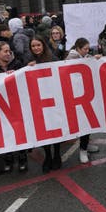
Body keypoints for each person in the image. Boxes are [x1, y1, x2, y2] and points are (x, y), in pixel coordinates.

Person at [0, 41, 28, 172]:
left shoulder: (17, 64)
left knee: (19, 131)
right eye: (5, 51)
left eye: (9, 51)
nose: (8, 54)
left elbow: (25, 79)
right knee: (5, 133)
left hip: (16, 104)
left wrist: (17, 73)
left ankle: (22, 157)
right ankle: (8, 159)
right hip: (0, 108)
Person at [29, 36, 62, 173]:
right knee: (44, 130)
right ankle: (48, 155)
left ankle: (57, 154)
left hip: (53, 99)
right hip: (38, 101)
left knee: (55, 127)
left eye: (38, 45)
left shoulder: (53, 59)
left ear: (43, 45)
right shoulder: (28, 61)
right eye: (33, 46)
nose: (36, 48)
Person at [66, 38, 101, 164]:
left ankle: (85, 145)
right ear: (78, 48)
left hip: (85, 95)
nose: (87, 51)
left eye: (88, 49)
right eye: (85, 49)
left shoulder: (85, 57)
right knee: (82, 123)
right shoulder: (71, 59)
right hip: (76, 96)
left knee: (88, 122)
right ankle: (83, 150)